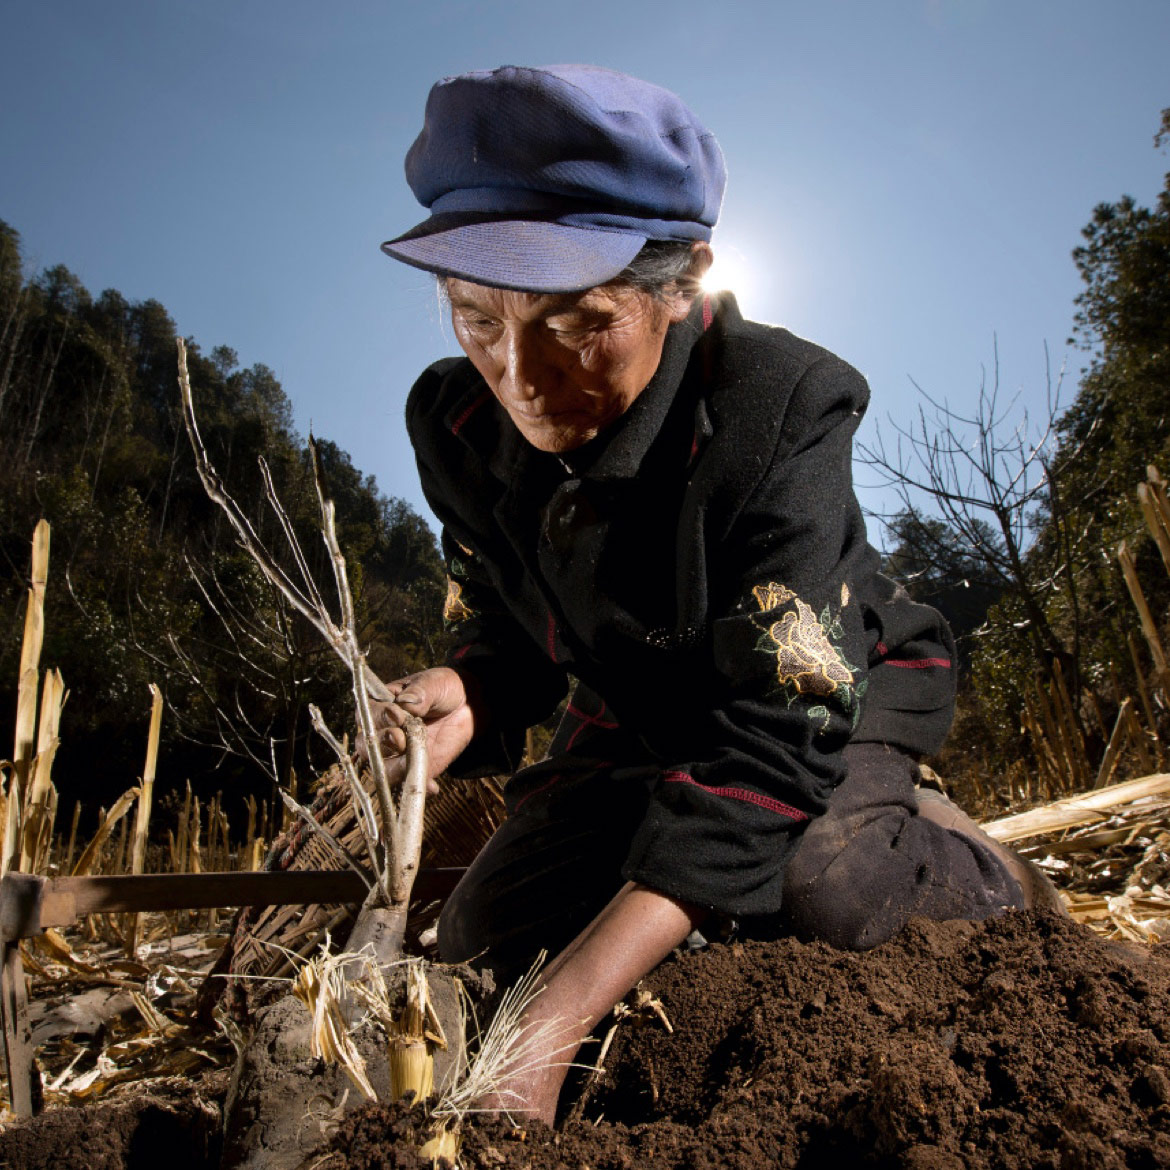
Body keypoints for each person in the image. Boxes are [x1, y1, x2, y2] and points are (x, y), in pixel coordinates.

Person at [371, 65, 1057, 1123]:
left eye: (575, 322)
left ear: (682, 281)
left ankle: (973, 873)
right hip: (638, 711)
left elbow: (777, 732)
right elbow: (516, 618)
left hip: (822, 693)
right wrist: (469, 692)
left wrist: (551, 1027)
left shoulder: (779, 411)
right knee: (482, 940)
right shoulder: (453, 428)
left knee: (823, 888)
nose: (520, 376)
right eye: (475, 319)